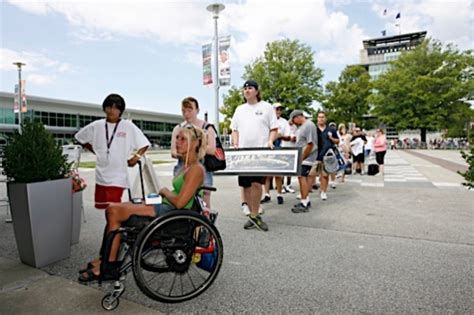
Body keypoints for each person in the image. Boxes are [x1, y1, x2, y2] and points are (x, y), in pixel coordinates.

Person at [78, 125, 207, 282]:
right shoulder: (186, 166)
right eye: (177, 138)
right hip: (167, 207)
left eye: (183, 139)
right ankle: (104, 259)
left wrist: (165, 191)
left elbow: (180, 203)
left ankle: (108, 267)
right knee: (116, 209)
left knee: (114, 210)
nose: (177, 142)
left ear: (195, 143)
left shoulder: (196, 170)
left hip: (173, 214)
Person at [75, 94, 150, 210]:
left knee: (114, 210)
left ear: (120, 111)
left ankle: (113, 228)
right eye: (109, 107)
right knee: (106, 209)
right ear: (104, 108)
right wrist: (94, 150)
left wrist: (136, 157)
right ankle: (112, 227)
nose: (111, 111)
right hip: (101, 176)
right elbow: (79, 137)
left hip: (118, 177)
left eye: (116, 108)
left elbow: (144, 143)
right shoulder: (97, 125)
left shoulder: (128, 126)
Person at [231, 80, 278, 231]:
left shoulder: (267, 107)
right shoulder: (239, 109)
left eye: (250, 88)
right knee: (245, 184)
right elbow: (235, 130)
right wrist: (236, 144)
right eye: (245, 89)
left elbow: (274, 128)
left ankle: (255, 213)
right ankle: (252, 214)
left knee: (257, 183)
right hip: (244, 153)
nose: (247, 91)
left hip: (260, 152)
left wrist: (270, 141)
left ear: (257, 91)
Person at [170, 97, 216, 208]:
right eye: (183, 111)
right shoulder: (178, 128)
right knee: (181, 195)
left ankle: (204, 222)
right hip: (182, 167)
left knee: (204, 199)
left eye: (189, 110)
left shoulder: (207, 127)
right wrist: (186, 151)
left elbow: (212, 149)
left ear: (197, 110)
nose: (186, 114)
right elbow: (173, 152)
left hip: (203, 166)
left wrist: (192, 148)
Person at [261, 103, 291, 205]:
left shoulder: (284, 122)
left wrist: (280, 136)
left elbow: (289, 136)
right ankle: (266, 194)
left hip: (279, 148)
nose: (278, 111)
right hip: (267, 148)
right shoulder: (266, 120)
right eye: (276, 109)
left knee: (278, 173)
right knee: (267, 174)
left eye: (280, 109)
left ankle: (279, 194)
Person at [289, 110, 317, 213]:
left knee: (302, 178)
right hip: (303, 157)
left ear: (297, 117)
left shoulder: (308, 125)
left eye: (294, 120)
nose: (294, 122)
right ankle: (305, 200)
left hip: (306, 158)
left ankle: (304, 203)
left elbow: (310, 144)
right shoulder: (302, 127)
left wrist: (301, 158)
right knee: (301, 178)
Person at [312, 112, 339, 201]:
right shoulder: (314, 129)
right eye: (319, 117)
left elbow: (337, 141)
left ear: (326, 118)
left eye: (323, 117)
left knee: (325, 175)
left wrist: (331, 138)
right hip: (315, 155)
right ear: (317, 119)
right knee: (310, 175)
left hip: (327, 156)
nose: (321, 119)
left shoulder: (331, 129)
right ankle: (305, 193)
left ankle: (323, 191)